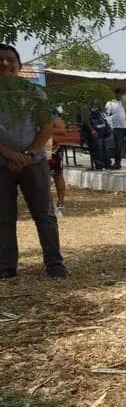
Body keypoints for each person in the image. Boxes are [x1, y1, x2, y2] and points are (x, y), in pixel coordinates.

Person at [0, 43, 68, 279]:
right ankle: (6, 267)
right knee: (4, 217)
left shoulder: (34, 92)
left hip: (33, 161)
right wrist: (10, 155)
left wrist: (28, 155)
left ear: (19, 65)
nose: (5, 63)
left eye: (10, 59)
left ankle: (54, 264)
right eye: (1, 59)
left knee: (45, 215)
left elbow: (47, 127)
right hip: (2, 163)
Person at [107, 85, 126, 169]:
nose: (120, 95)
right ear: (115, 94)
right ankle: (117, 163)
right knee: (118, 146)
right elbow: (106, 114)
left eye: (122, 94)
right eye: (118, 94)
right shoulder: (110, 103)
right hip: (117, 127)